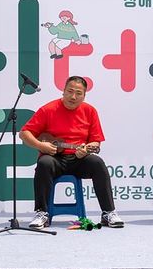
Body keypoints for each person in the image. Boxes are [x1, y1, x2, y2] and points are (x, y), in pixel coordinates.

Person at [19, 76, 124, 229]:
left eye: (78, 93)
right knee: (44, 163)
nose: (73, 96)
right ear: (63, 91)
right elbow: (24, 133)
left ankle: (108, 212)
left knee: (97, 163)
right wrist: (41, 146)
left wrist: (86, 150)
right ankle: (42, 213)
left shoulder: (90, 111)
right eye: (70, 91)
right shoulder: (48, 109)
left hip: (78, 159)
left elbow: (95, 142)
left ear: (84, 95)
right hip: (54, 158)